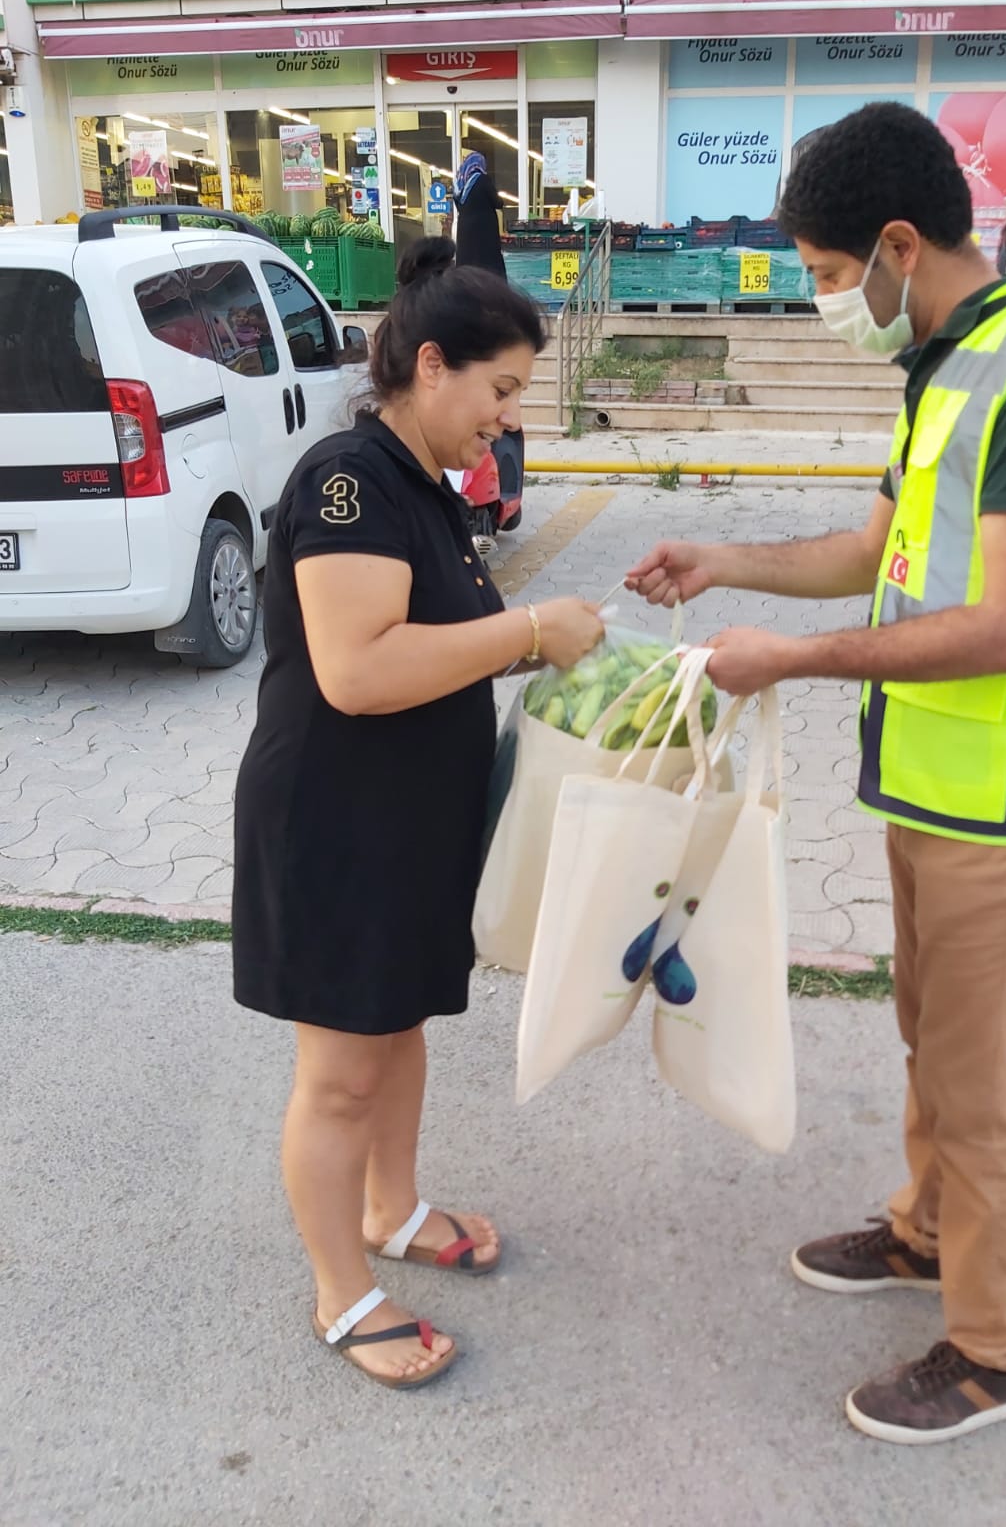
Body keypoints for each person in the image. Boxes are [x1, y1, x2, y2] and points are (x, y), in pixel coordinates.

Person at [627, 102, 1006, 1446]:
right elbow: (882, 553)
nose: (820, 299)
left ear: (899, 245)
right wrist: (722, 562)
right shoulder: (944, 359)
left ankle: (994, 1349)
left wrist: (791, 658)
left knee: (980, 1082)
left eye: (820, 272)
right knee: (935, 1039)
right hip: (936, 781)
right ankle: (924, 1233)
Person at [232, 237, 603, 1390]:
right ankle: (342, 1294)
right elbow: (357, 670)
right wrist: (533, 633)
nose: (506, 417)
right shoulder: (347, 480)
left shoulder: (428, 490)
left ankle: (392, 1210)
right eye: (499, 392)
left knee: (398, 1031)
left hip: (405, 825)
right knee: (340, 1070)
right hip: (333, 825)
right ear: (430, 366)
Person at [452, 150, 507, 277]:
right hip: (483, 232)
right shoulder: (482, 179)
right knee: (488, 268)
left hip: (465, 232)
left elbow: (459, 206)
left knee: (467, 269)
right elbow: (498, 203)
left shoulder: (459, 184)